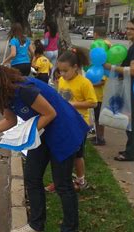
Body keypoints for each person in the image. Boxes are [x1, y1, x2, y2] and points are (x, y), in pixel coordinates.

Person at [0, 62, 90, 232]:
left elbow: (50, 113)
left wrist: (26, 133)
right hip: (41, 131)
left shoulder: (23, 89)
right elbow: (10, 120)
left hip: (63, 130)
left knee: (62, 183)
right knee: (32, 177)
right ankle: (36, 225)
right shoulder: (4, 93)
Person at [45, 48, 97, 193]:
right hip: (64, 123)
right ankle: (60, 180)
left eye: (65, 70)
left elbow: (93, 103)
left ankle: (80, 180)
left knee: (77, 156)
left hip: (79, 125)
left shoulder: (84, 83)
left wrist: (74, 104)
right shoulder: (61, 80)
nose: (62, 74)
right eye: (60, 71)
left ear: (75, 67)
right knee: (62, 154)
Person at [104, 17, 134, 162]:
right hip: (132, 86)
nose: (128, 31)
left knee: (133, 120)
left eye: (132, 29)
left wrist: (110, 67)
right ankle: (132, 149)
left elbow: (133, 70)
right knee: (131, 119)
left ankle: (131, 152)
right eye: (128, 28)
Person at [90, 22, 111, 146]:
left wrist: (90, 84)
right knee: (98, 115)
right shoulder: (108, 44)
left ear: (95, 34)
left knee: (99, 116)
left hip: (100, 91)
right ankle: (98, 136)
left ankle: (100, 138)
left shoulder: (99, 46)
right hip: (103, 87)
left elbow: (101, 77)